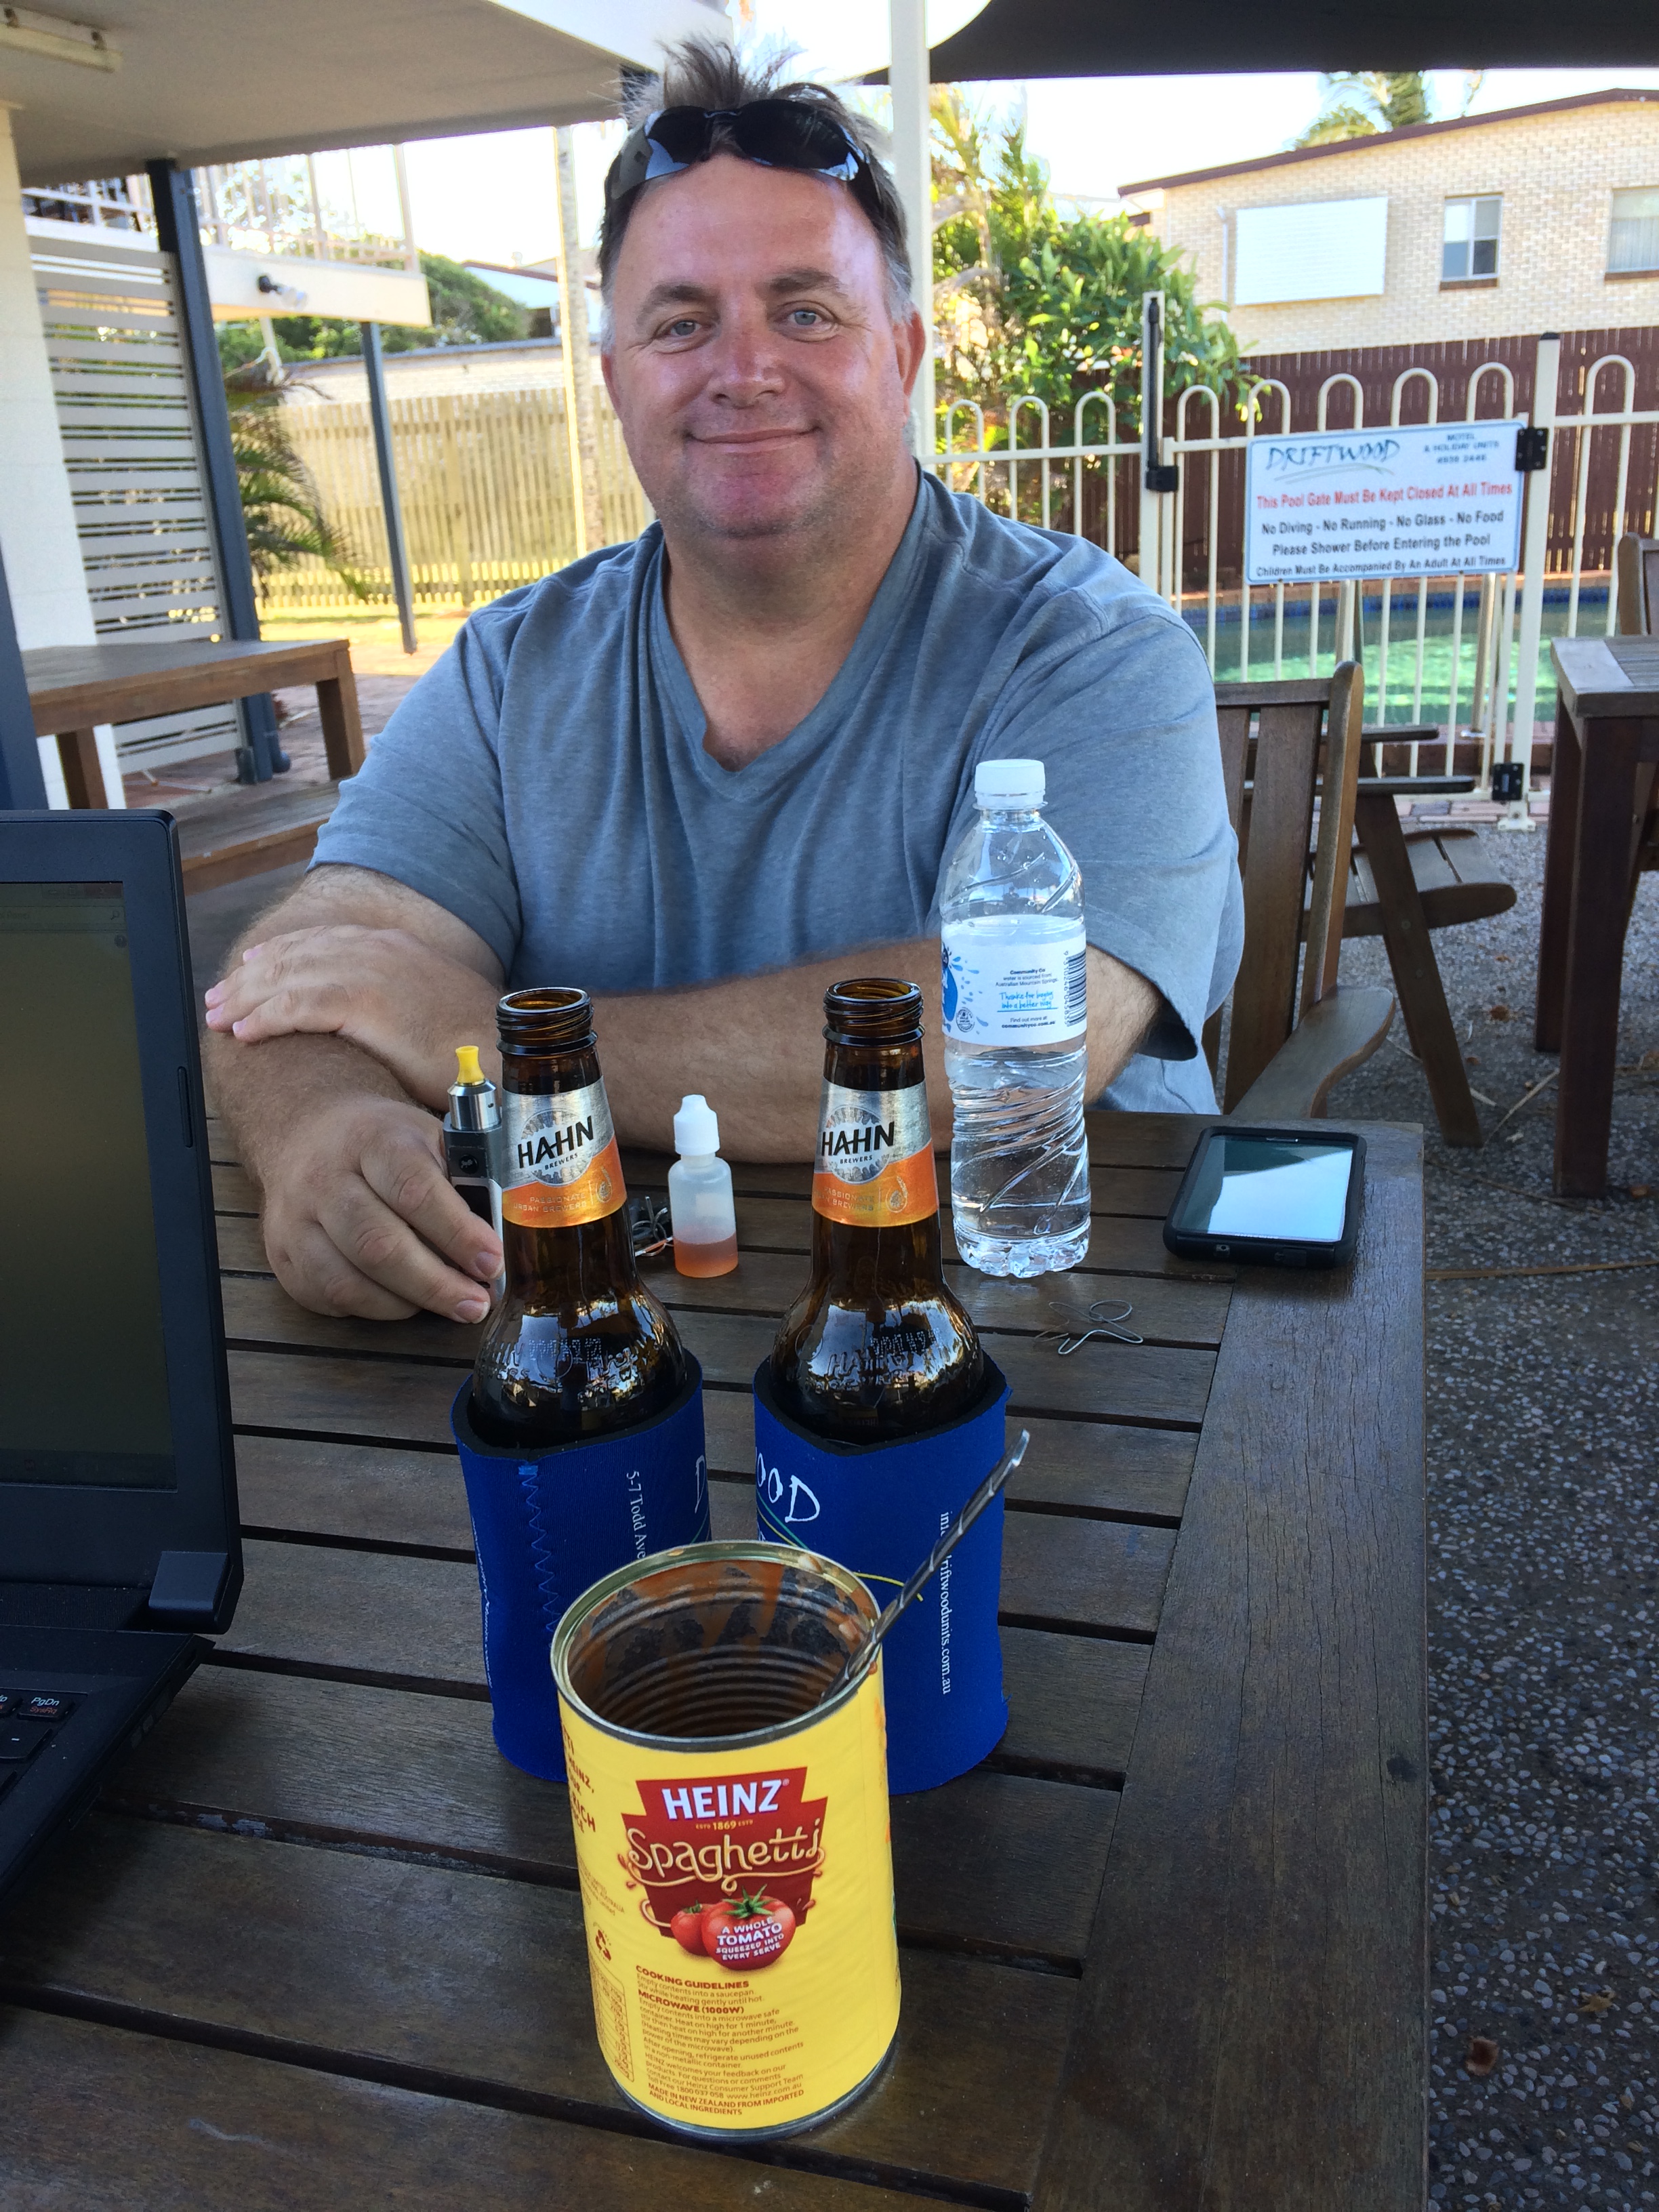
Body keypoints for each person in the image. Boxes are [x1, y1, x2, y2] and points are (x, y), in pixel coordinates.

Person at [204, 38, 1242, 1330]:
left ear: (904, 353)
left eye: (806, 312)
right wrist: (321, 1127)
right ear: (615, 380)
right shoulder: (512, 667)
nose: (742, 370)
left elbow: (1018, 1040)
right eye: (681, 322)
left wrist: (502, 1039)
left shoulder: (1089, 648)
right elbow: (297, 972)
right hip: (606, 1344)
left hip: (1052, 1333)